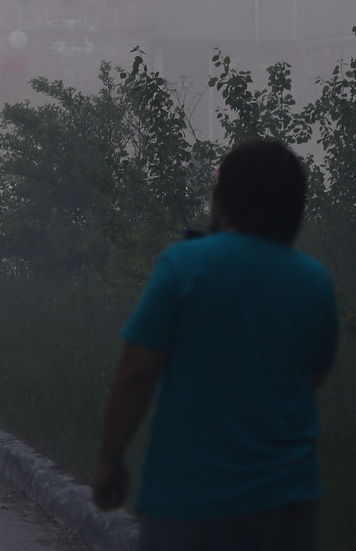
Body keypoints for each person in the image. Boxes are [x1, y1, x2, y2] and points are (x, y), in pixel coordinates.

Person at [93, 138, 338, 550]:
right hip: (288, 504)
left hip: (190, 504)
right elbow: (312, 375)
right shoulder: (315, 281)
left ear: (224, 200)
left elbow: (135, 373)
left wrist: (109, 459)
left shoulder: (184, 265)